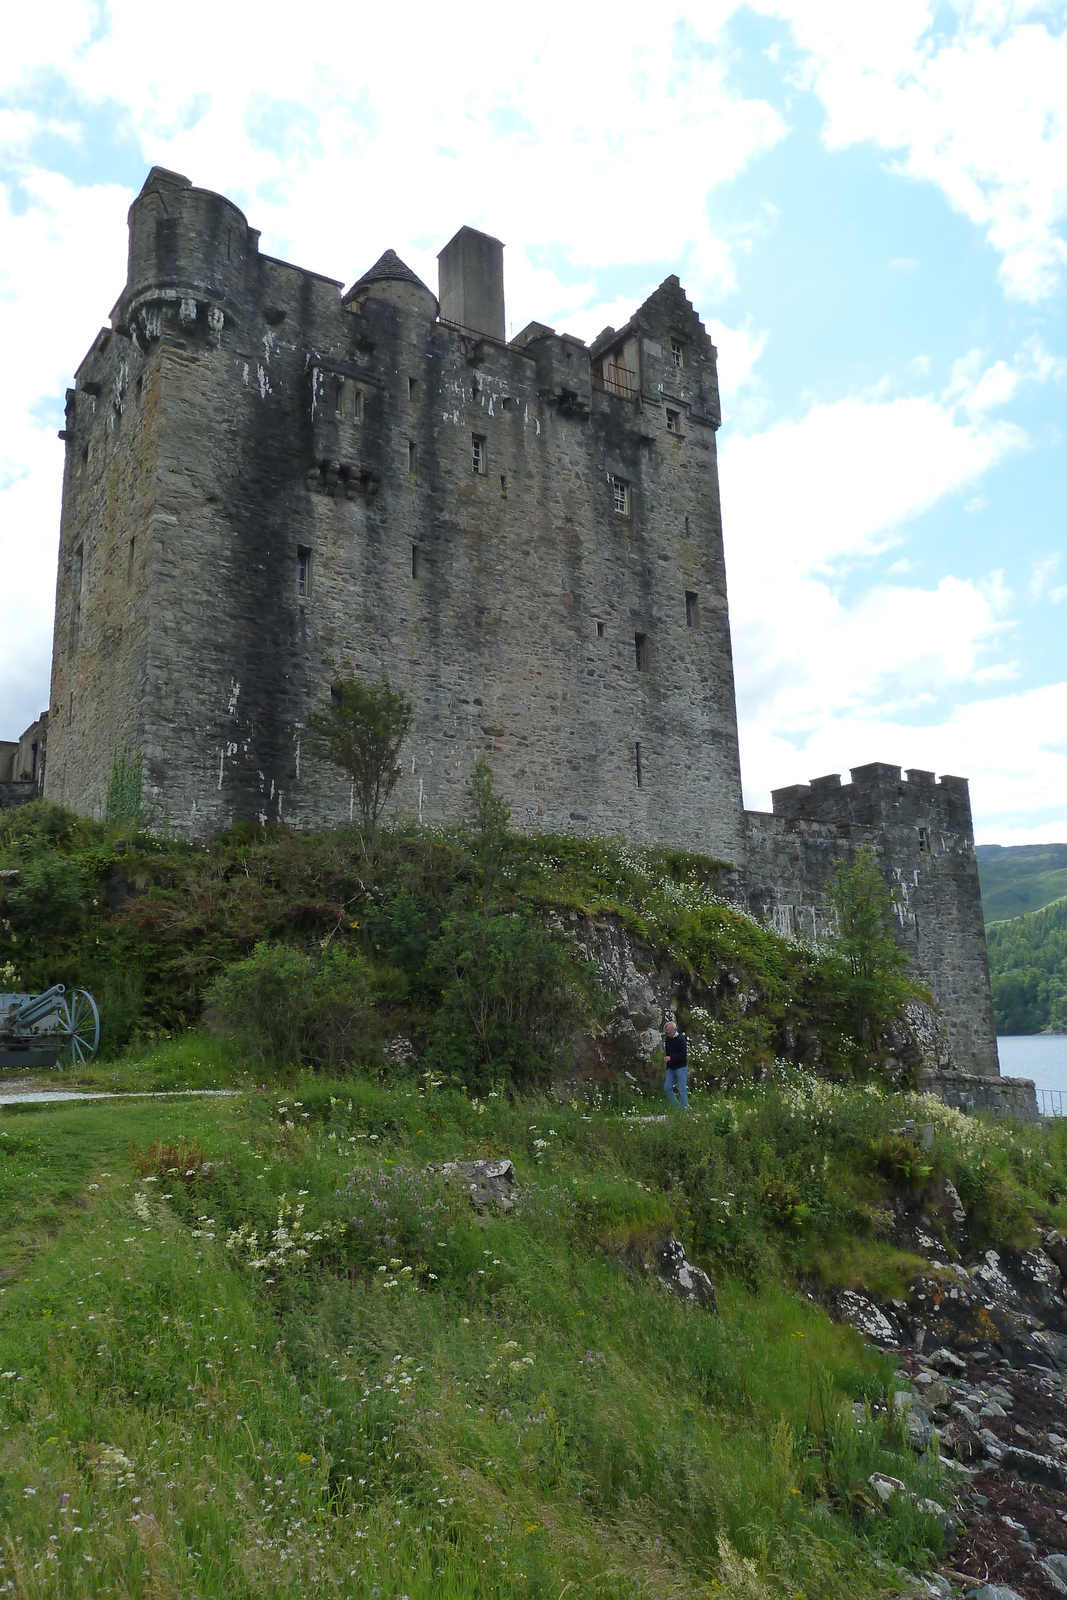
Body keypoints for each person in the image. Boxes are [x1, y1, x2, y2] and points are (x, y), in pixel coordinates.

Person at [662, 1017, 688, 1110]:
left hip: (681, 1067)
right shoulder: (667, 1039)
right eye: (667, 1030)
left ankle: (685, 1110)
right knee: (667, 1087)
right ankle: (677, 1108)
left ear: (674, 1029)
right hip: (671, 1068)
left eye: (669, 1030)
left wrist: (671, 1058)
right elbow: (668, 1052)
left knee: (682, 1089)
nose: (668, 1032)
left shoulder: (681, 1039)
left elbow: (683, 1054)